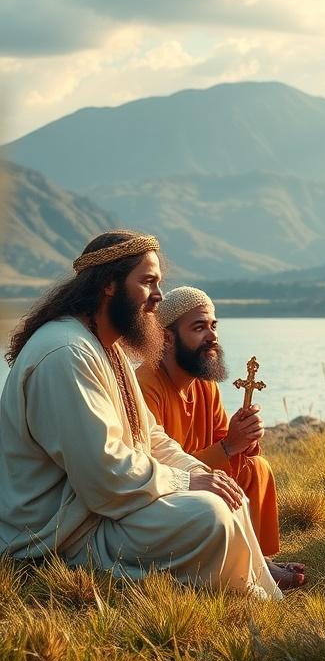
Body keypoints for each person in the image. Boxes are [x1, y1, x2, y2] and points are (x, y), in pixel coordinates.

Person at [0, 231, 282, 598]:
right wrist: (185, 483)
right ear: (108, 286)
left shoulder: (106, 348)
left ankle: (253, 594)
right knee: (209, 518)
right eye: (147, 282)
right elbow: (102, 473)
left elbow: (149, 438)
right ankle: (237, 599)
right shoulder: (65, 354)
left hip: (97, 510)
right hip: (58, 534)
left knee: (227, 496)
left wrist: (201, 473)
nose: (158, 296)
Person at [136, 286, 304, 590]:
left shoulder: (205, 384)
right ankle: (251, 567)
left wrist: (246, 438)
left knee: (255, 467)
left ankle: (260, 560)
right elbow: (155, 464)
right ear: (167, 337)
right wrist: (229, 446)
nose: (212, 336)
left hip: (205, 476)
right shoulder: (146, 385)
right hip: (169, 490)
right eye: (199, 327)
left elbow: (227, 450)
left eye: (213, 326)